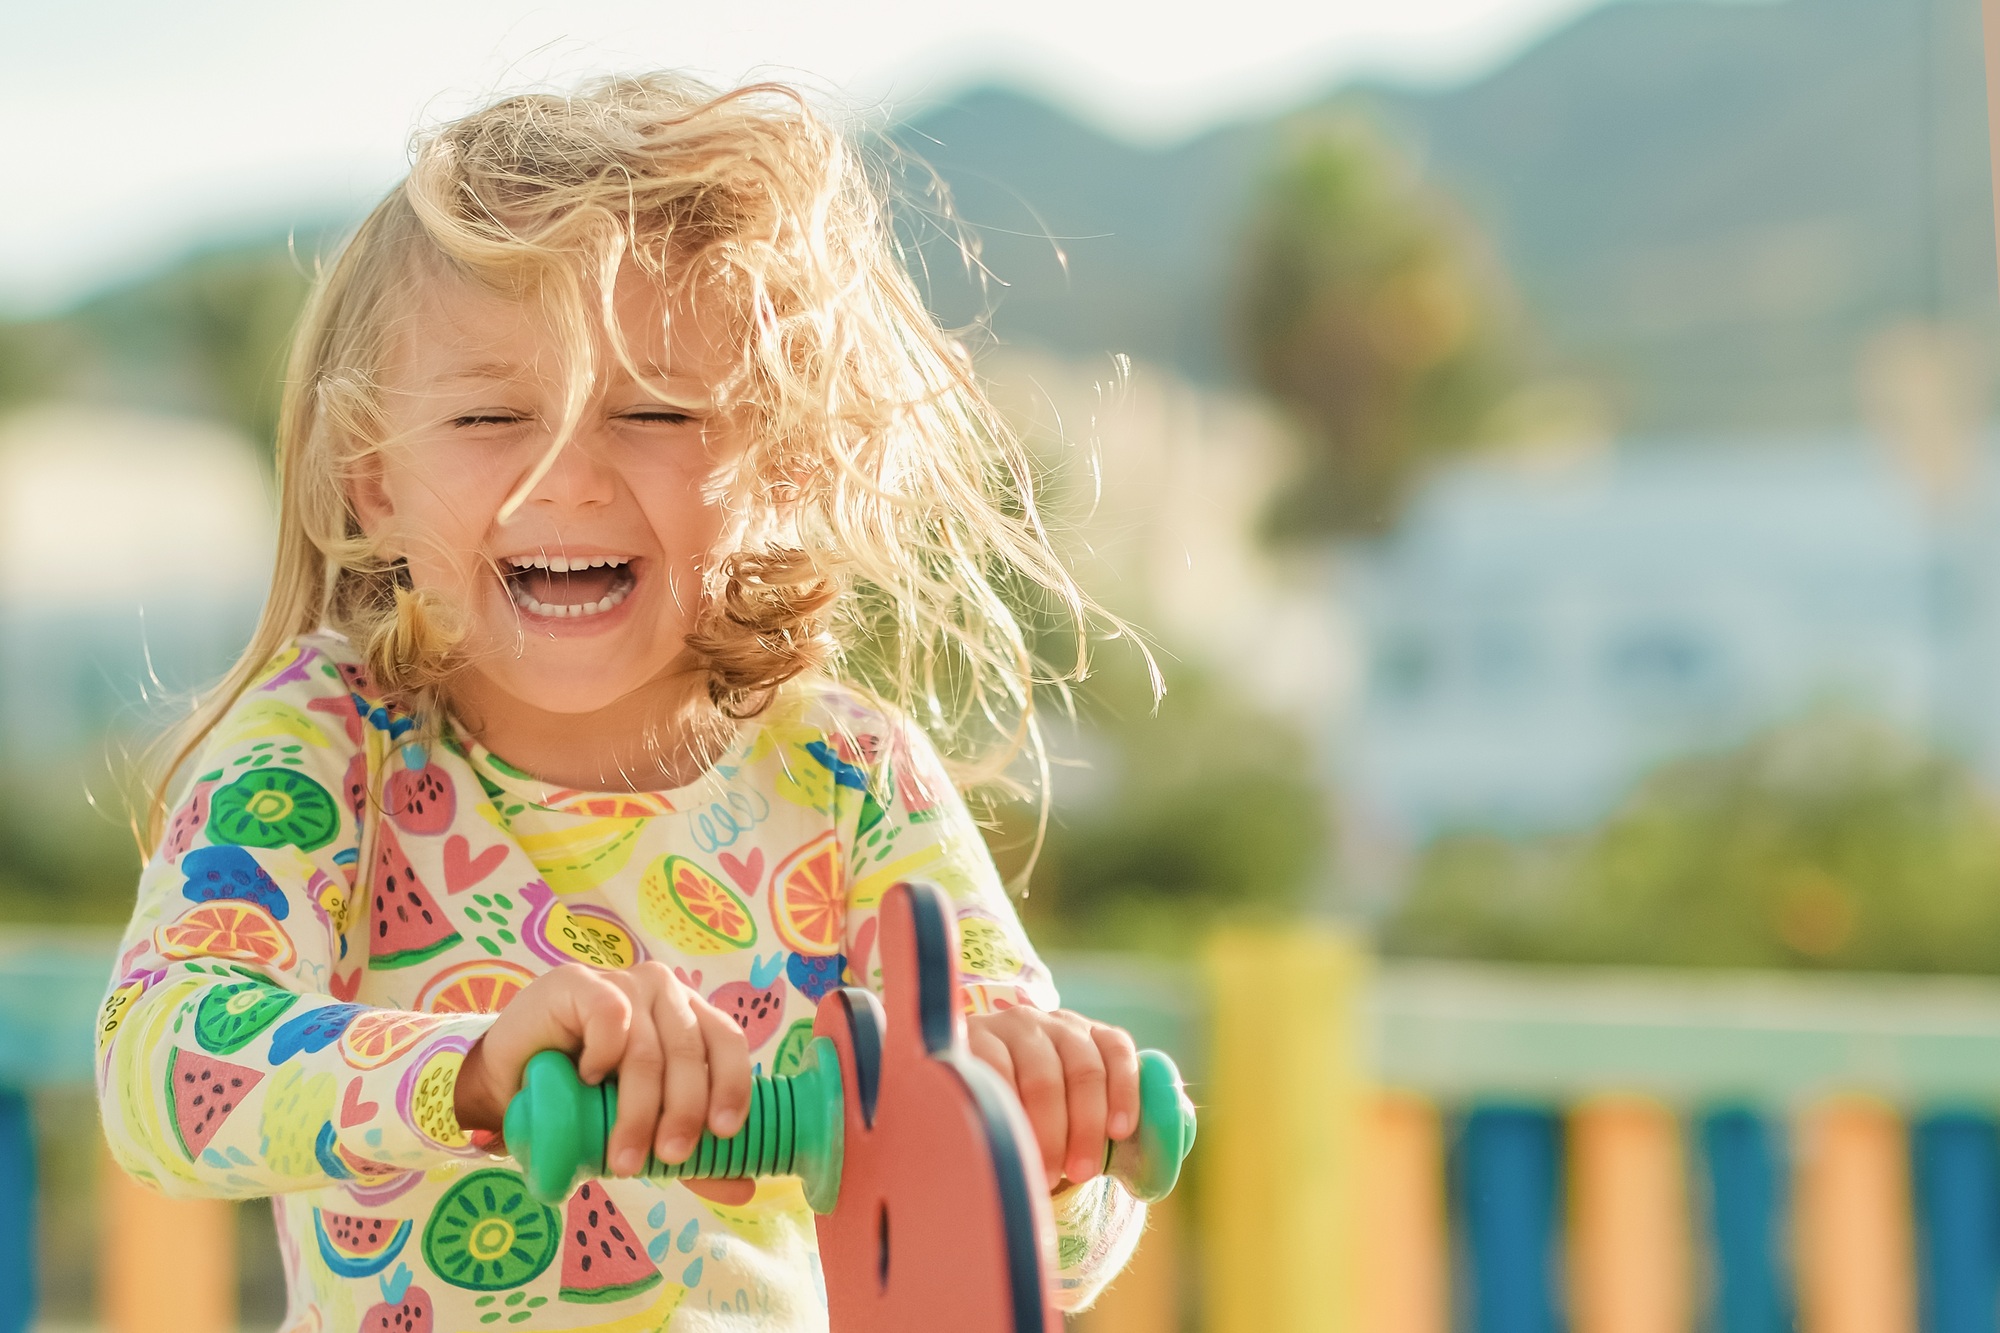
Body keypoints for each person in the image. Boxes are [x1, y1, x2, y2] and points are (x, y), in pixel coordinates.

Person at [96, 74, 1149, 1331]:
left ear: (785, 458)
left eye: (656, 410)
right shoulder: (325, 742)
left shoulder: (849, 775)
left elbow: (1060, 1247)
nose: (570, 477)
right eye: (491, 414)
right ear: (373, 478)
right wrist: (472, 1070)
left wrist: (1051, 1121)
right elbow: (168, 1066)